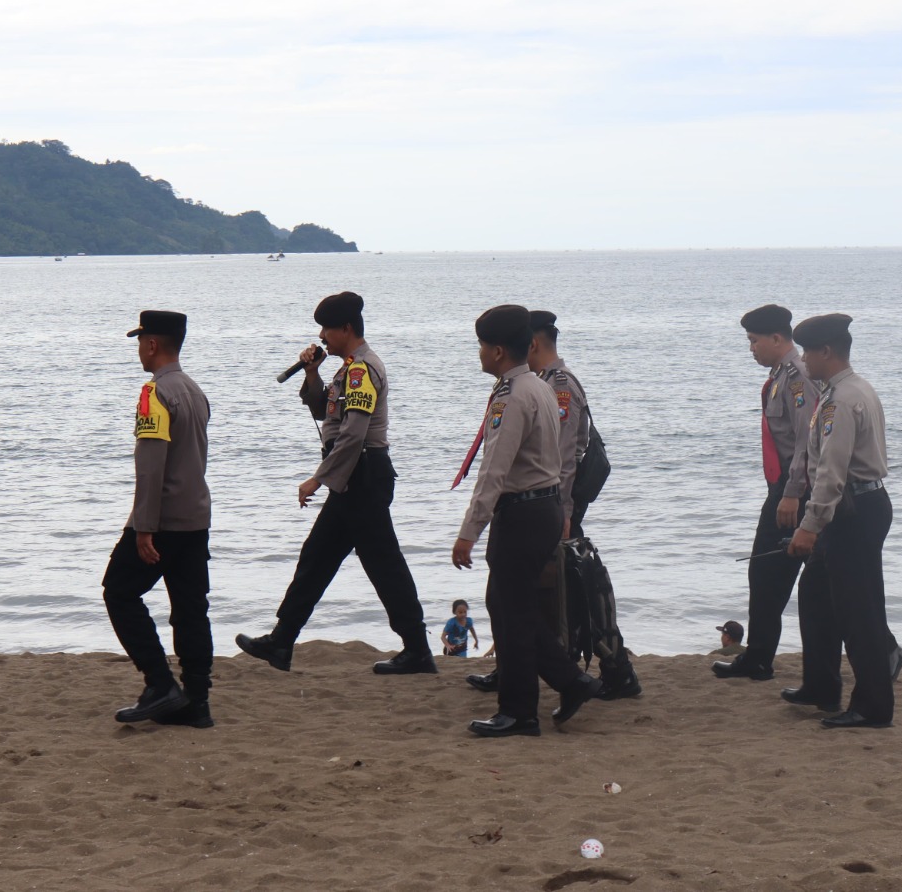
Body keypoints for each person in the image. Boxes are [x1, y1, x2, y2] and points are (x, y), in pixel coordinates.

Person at [236, 291, 436, 675]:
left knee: (382, 564)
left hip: (363, 476)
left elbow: (354, 436)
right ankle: (282, 641)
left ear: (346, 328)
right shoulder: (346, 369)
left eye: (326, 328)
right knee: (319, 556)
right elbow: (322, 411)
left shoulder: (362, 370)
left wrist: (318, 477)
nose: (321, 336)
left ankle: (417, 649)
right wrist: (311, 372)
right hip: (354, 477)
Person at [466, 310, 641, 698]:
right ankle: (524, 668)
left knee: (568, 593)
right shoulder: (538, 384)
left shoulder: (557, 385)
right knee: (518, 596)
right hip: (548, 506)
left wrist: (565, 513)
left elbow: (561, 458)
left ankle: (613, 670)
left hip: (556, 505)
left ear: (532, 343)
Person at [453, 305, 601, 738]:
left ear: (498, 351)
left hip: (521, 512)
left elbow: (494, 471)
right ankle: (572, 682)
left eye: (481, 346)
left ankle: (520, 713)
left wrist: (468, 532)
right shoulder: (537, 388)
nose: (479, 353)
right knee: (508, 605)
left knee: (512, 615)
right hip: (543, 506)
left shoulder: (512, 396)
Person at [783, 313, 902, 729]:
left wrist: (809, 526)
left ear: (826, 352)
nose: (803, 359)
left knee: (859, 611)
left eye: (807, 351)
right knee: (816, 593)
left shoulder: (839, 401)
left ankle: (872, 706)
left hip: (854, 510)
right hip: (857, 506)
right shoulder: (852, 388)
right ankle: (821, 683)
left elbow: (832, 473)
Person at [102, 310, 215, 728]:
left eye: (140, 342)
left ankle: (159, 683)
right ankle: (197, 701)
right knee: (190, 610)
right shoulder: (195, 390)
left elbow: (150, 465)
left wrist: (144, 526)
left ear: (152, 344)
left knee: (118, 592)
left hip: (163, 520)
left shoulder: (155, 394)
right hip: (196, 516)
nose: (138, 350)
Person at [712, 305, 818, 682]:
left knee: (772, 571)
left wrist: (792, 492)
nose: (751, 349)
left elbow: (808, 439)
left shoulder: (798, 377)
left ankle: (758, 659)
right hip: (787, 485)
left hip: (797, 489)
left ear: (777, 339)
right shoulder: (780, 375)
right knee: (777, 574)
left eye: (755, 341)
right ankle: (758, 658)